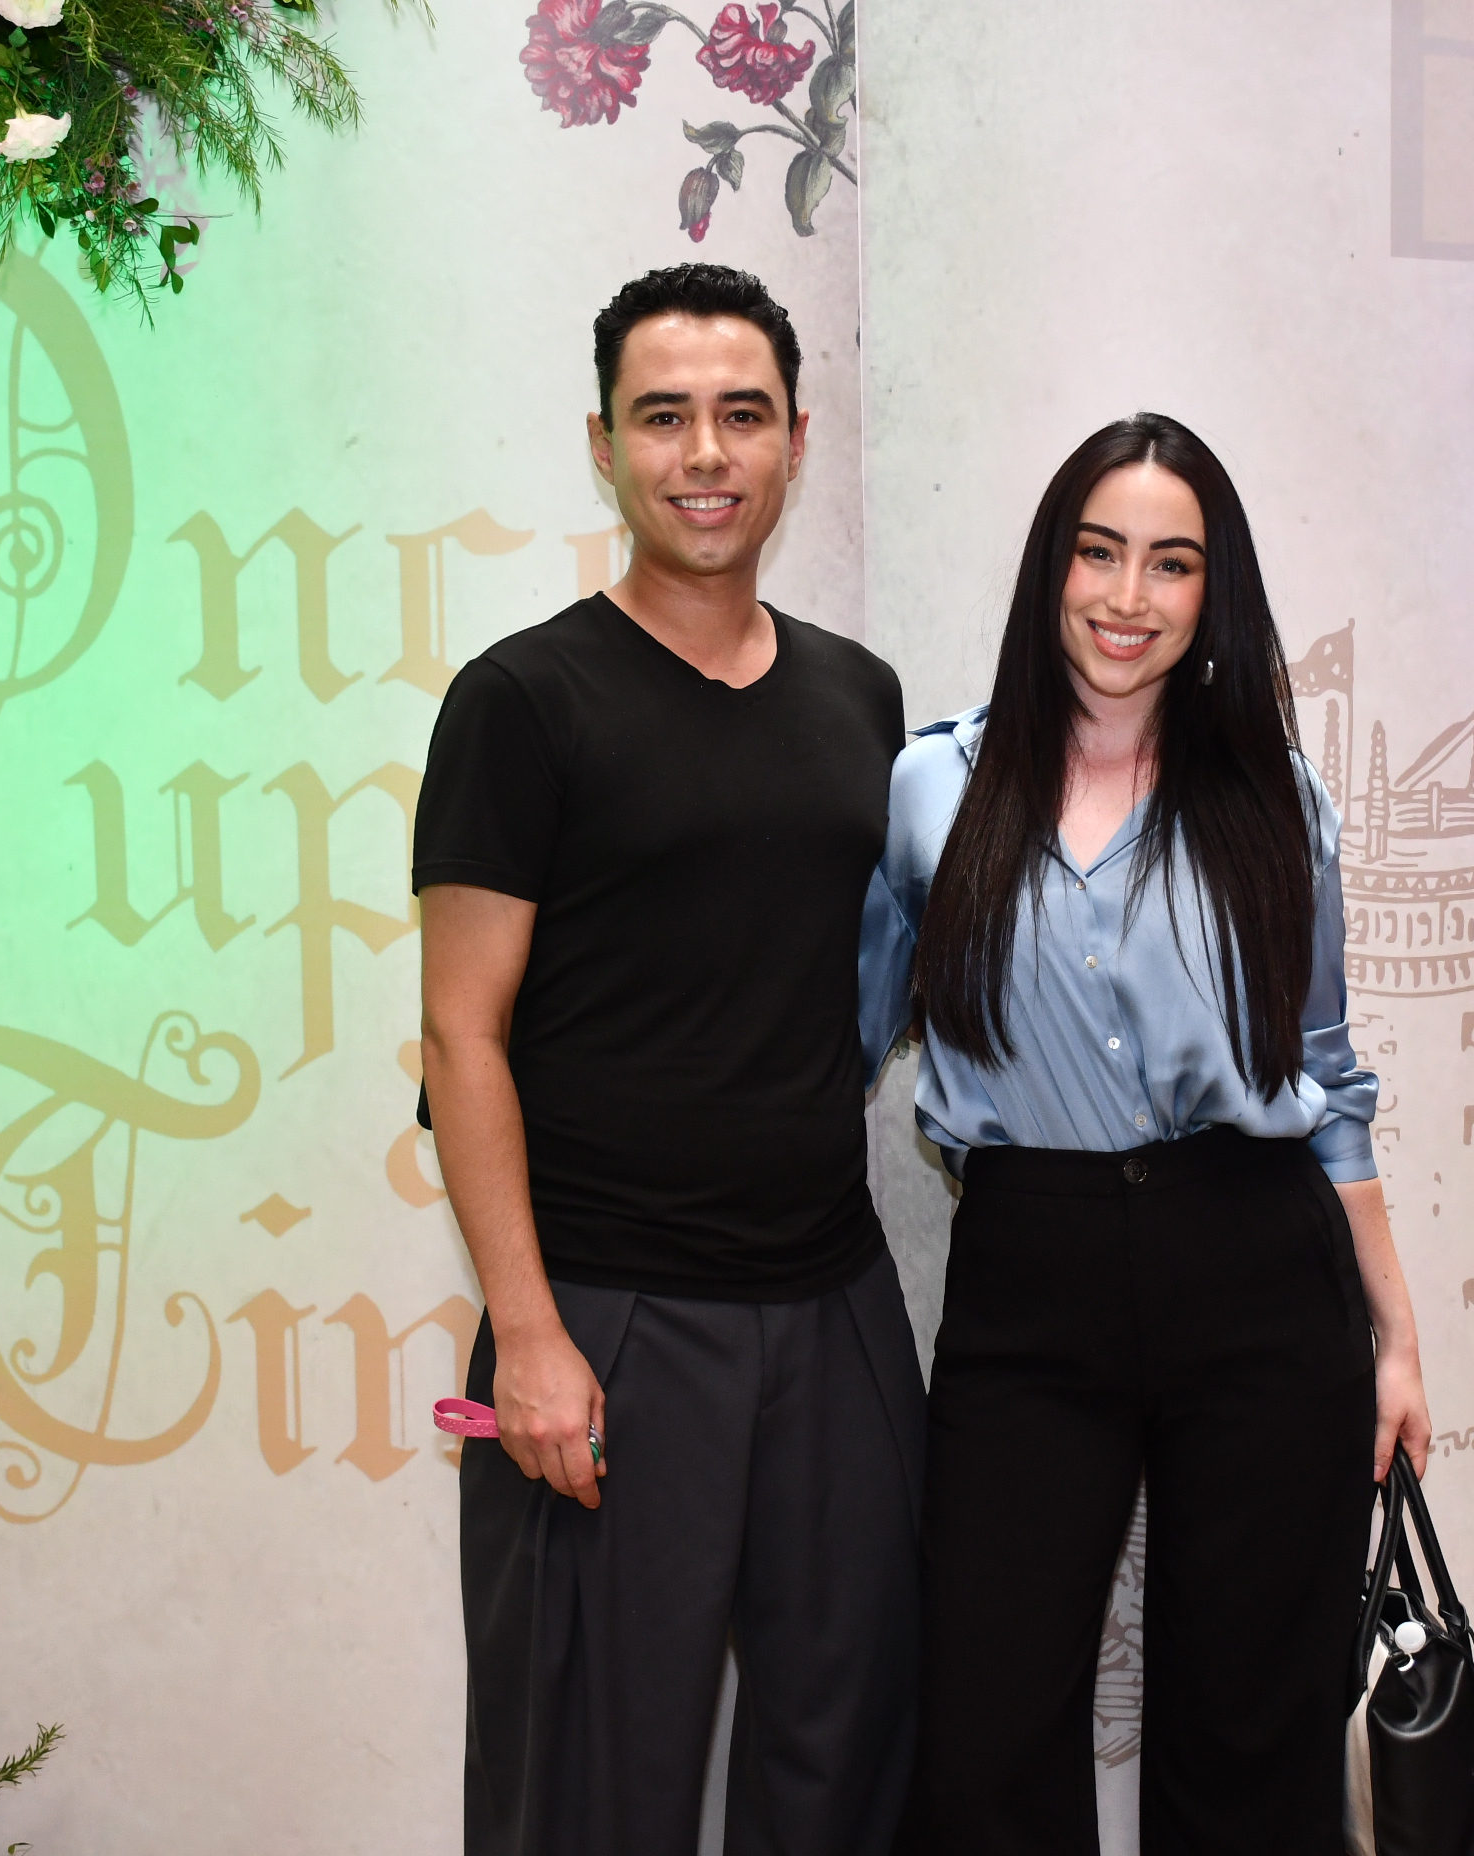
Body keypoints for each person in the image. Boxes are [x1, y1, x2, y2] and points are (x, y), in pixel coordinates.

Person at [861, 413, 1434, 1855]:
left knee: (1251, 1739)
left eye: (1171, 563)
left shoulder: (1276, 799)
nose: (1129, 597)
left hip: (1256, 1265)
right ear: (1051, 567)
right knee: (985, 1738)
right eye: (1099, 552)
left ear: (1211, 591)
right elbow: (842, 1034)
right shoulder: (933, 789)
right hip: (1029, 1272)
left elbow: (1324, 1075)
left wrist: (1395, 1336)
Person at [417, 264, 922, 1856]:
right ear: (605, 445)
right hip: (609, 1319)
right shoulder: (521, 700)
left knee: (844, 1762)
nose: (705, 453)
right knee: (589, 1788)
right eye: (664, 417)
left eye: (741, 415)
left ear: (795, 440)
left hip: (835, 1308)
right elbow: (461, 1034)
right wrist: (529, 1339)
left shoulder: (860, 698)